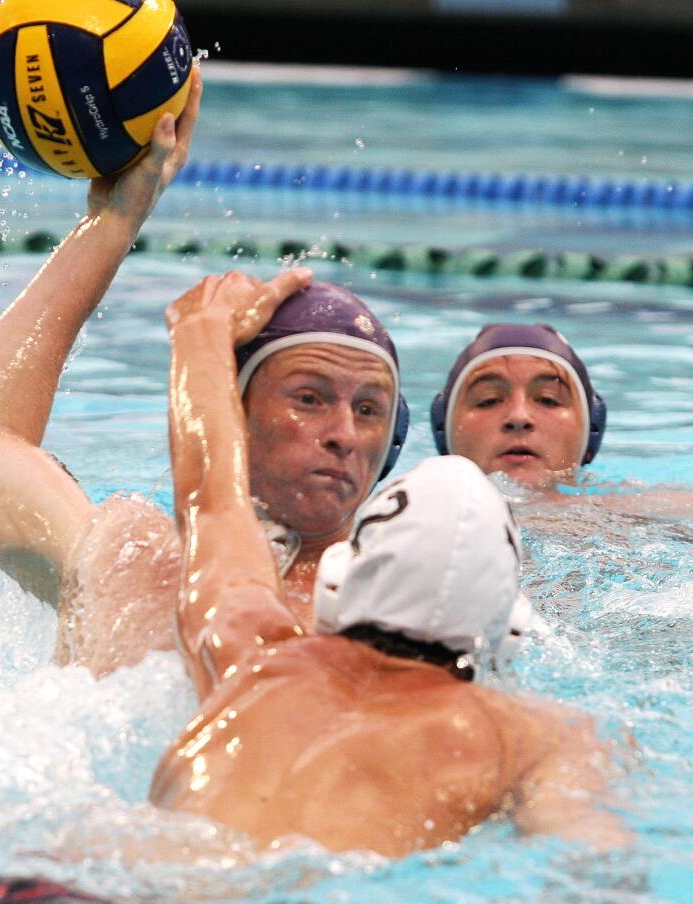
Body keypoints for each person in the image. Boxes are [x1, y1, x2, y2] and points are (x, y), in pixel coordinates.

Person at [0, 66, 408, 677]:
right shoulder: (137, 564)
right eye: (309, 398)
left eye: (369, 410)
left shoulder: (404, 618)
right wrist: (115, 221)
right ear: (227, 411)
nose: (343, 432)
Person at [149, 268, 631, 857]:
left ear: (338, 579)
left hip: (90, 883)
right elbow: (593, 868)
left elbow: (209, 499)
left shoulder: (249, 649)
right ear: (511, 631)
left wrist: (199, 329)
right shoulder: (531, 736)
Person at [429, 323, 607, 489]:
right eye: (488, 400)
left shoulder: (631, 511)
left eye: (548, 399)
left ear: (591, 430)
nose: (518, 417)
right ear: (443, 430)